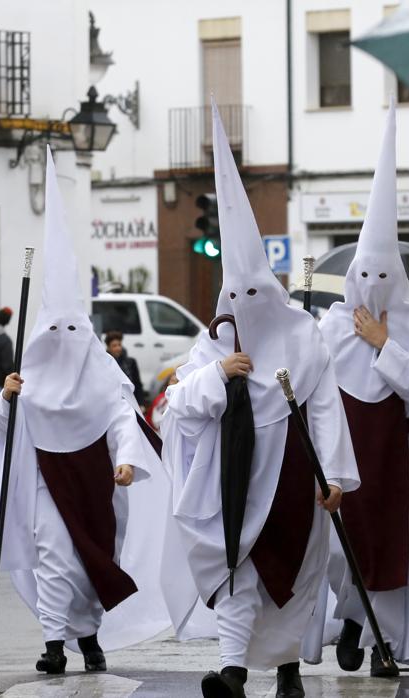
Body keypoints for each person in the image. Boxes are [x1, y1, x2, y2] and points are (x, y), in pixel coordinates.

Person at [160, 105, 359, 698]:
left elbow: (325, 409)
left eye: (255, 292)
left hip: (295, 478)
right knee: (239, 572)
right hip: (236, 481)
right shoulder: (215, 342)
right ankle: (231, 672)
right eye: (235, 295)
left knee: (295, 575)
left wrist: (337, 476)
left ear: (270, 291)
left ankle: (290, 672)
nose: (246, 305)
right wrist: (220, 374)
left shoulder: (304, 336)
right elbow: (178, 405)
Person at [0, 148, 174, 675]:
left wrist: (126, 460)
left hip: (98, 482)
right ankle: (53, 643)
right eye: (57, 331)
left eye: (75, 331)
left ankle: (89, 635)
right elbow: (7, 429)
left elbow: (122, 416)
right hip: (49, 480)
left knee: (95, 559)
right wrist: (6, 397)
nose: (66, 342)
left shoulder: (103, 373)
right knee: (54, 555)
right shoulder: (27, 380)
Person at [316, 104, 409, 675]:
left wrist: (383, 342)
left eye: (385, 276)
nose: (373, 286)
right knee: (343, 547)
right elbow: (307, 383)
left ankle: (386, 645)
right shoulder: (329, 326)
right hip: (342, 459)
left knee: (394, 548)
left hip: (395, 460)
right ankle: (353, 619)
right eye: (365, 276)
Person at [104, 330, 148, 407]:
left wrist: (141, 404)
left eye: (119, 345)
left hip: (130, 402)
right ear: (108, 347)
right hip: (112, 403)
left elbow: (137, 384)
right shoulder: (105, 363)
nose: (118, 348)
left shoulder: (131, 362)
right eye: (114, 346)